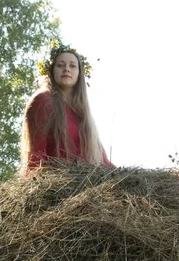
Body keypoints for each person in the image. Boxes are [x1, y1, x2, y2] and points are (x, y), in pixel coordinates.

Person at [20, 42, 115, 172]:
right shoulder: (43, 101)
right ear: (52, 70)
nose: (66, 69)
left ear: (79, 73)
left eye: (72, 66)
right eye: (60, 65)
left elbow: (104, 161)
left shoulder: (83, 114)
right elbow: (36, 156)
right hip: (57, 186)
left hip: (85, 184)